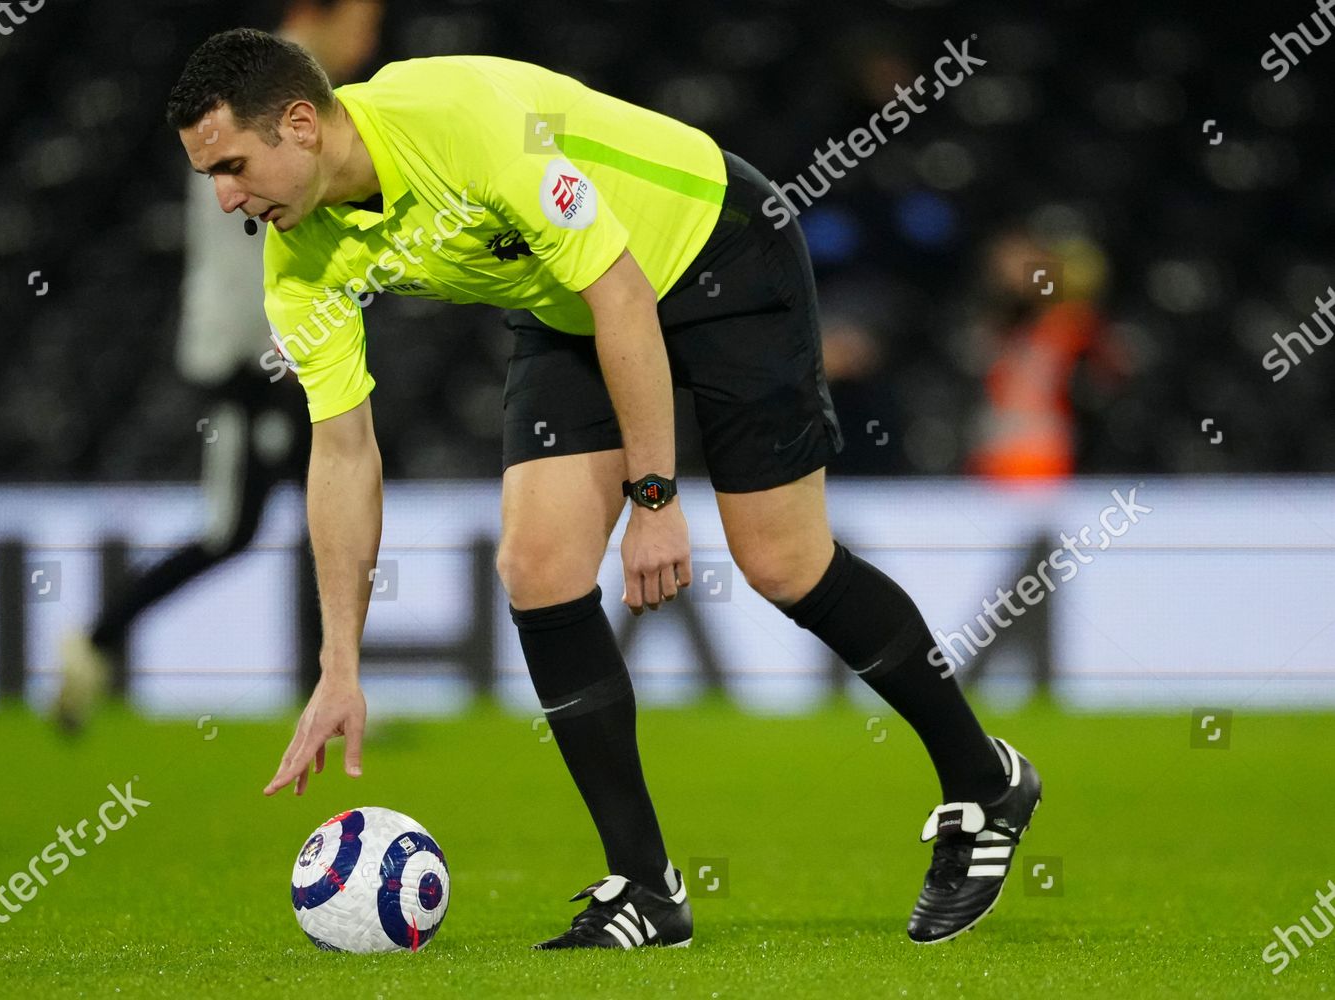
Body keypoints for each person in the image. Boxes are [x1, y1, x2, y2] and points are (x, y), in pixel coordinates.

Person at [165, 29, 1043, 949]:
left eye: (230, 166)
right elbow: (343, 454)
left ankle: (983, 780)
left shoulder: (460, 124)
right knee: (537, 566)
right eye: (208, 177)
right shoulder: (297, 261)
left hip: (716, 250)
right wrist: (338, 665)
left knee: (784, 563)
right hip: (569, 303)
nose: (225, 199)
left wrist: (655, 500)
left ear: (300, 125)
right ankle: (647, 887)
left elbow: (624, 291)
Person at [54, 1, 383, 730]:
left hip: (259, 343)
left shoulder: (273, 83)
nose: (372, 34)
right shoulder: (275, 95)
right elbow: (245, 236)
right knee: (244, 523)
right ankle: (98, 639)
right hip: (251, 352)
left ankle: (328, 686)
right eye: (363, 14)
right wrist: (285, 347)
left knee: (295, 510)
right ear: (318, 12)